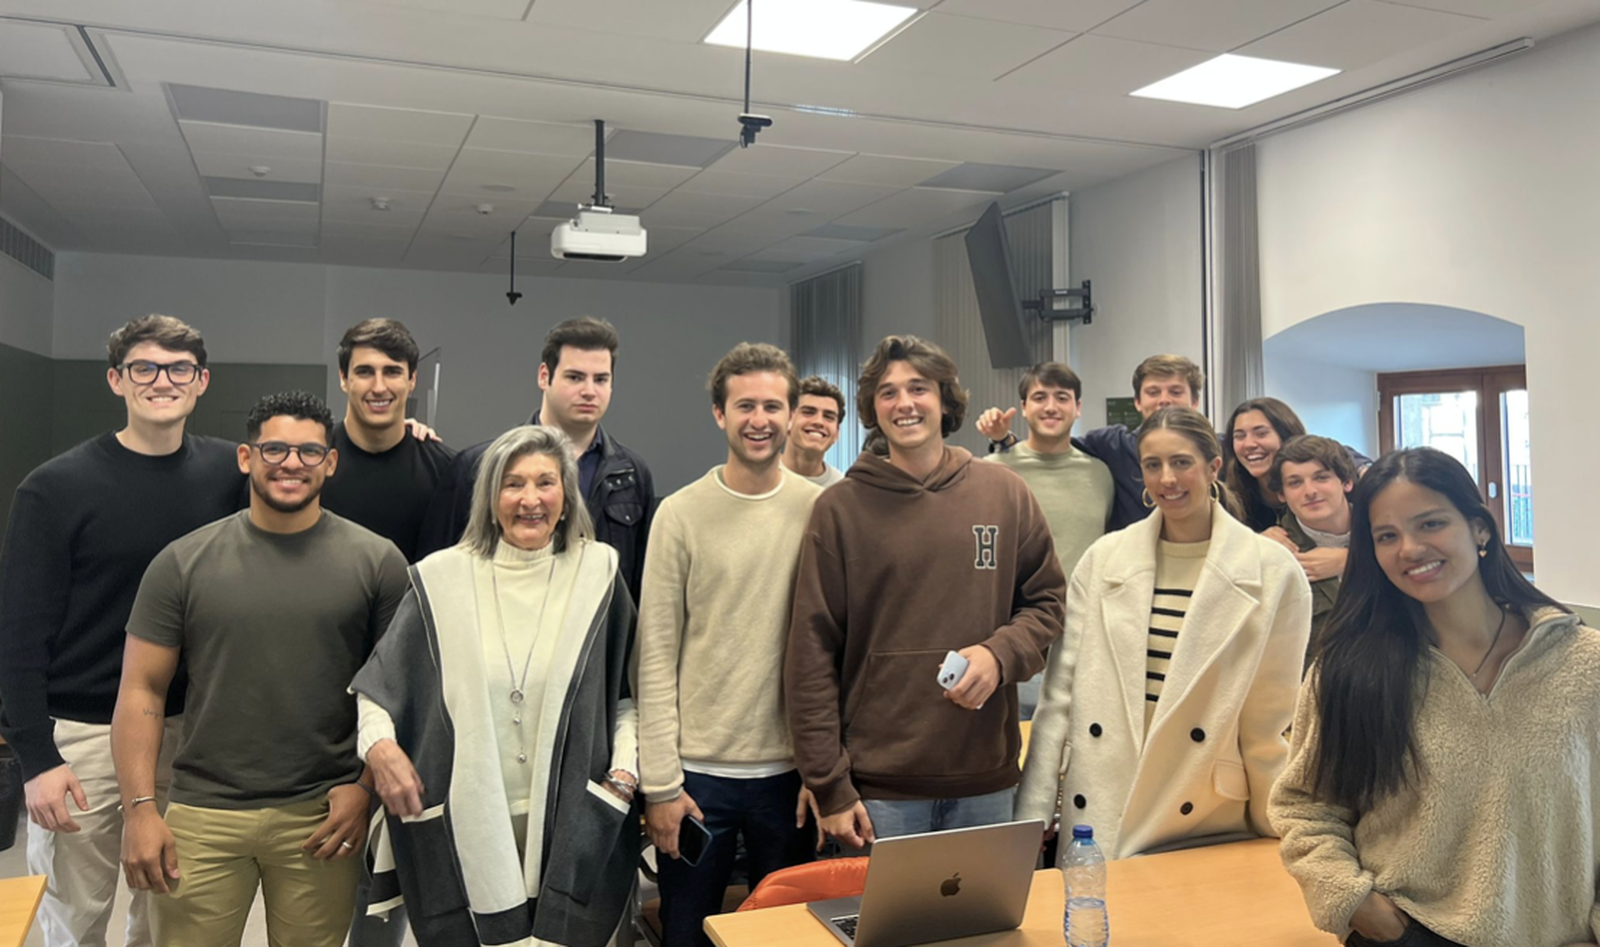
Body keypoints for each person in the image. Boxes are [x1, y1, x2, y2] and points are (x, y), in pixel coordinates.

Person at [113, 390, 409, 947]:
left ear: (330, 462)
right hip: (204, 811)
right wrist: (140, 812)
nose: (291, 464)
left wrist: (364, 788)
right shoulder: (182, 562)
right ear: (247, 458)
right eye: (275, 449)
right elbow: (141, 691)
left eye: (308, 452)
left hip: (323, 814)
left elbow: (397, 689)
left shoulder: (378, 562)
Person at [1270, 448, 1600, 947]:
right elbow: (1305, 808)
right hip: (1409, 934)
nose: (1409, 548)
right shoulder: (1348, 671)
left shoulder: (1584, 662)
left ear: (1479, 529)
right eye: (1386, 536)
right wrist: (1361, 908)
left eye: (1430, 524)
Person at [0, 315, 243, 947]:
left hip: (191, 734)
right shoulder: (53, 489)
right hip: (82, 736)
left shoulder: (230, 475)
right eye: (144, 368)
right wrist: (36, 756)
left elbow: (313, 473)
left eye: (178, 369)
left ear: (201, 382)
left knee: (166, 913)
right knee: (73, 918)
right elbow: (19, 633)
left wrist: (409, 434)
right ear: (117, 380)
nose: (162, 381)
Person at [353, 425, 640, 947]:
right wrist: (380, 749)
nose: (530, 499)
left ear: (566, 494)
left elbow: (626, 698)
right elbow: (377, 691)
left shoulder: (599, 574)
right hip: (466, 818)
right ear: (489, 498)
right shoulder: (441, 581)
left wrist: (623, 773)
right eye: (513, 484)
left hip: (572, 815)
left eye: (545, 483)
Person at [786, 335, 1065, 847]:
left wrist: (999, 654)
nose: (905, 403)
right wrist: (830, 786)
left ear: (945, 399)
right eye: (888, 392)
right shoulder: (839, 510)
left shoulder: (1004, 494)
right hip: (877, 793)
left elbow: (1047, 603)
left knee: (987, 928)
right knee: (880, 930)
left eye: (919, 388)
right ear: (873, 407)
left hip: (985, 777)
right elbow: (811, 652)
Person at [1015, 407, 1311, 860]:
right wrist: (1032, 814)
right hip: (1101, 796)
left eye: (1181, 462)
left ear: (1213, 467)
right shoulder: (1104, 558)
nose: (1167, 478)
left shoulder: (1271, 571)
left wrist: (1282, 830)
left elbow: (1270, 721)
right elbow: (1059, 697)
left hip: (1202, 809)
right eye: (1152, 465)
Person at [639, 343, 824, 947]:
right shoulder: (679, 514)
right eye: (745, 405)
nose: (760, 419)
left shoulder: (821, 509)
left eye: (774, 405)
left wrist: (824, 770)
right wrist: (662, 786)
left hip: (790, 779)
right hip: (697, 780)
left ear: (792, 415)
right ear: (720, 414)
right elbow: (657, 655)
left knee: (785, 940)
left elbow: (835, 648)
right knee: (687, 935)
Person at [419, 316, 654, 599]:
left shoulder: (631, 475)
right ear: (544, 376)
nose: (589, 391)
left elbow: (641, 586)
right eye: (575, 377)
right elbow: (437, 573)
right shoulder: (480, 466)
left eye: (601, 379)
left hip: (597, 635)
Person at [983, 362, 1113, 719]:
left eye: (1062, 397)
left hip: (1084, 646)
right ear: (1023, 407)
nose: (1051, 406)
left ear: (1078, 407)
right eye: (1039, 397)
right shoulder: (992, 471)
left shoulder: (1100, 474)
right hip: (1014, 642)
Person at [979, 354, 1203, 530]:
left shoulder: (1214, 450)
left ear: (1195, 401)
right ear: (1137, 401)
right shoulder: (1112, 446)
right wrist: (1005, 440)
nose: (1164, 400)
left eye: (1175, 391)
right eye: (1153, 392)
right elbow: (1052, 445)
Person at [321, 318, 456, 563]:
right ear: (343, 378)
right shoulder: (312, 462)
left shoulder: (446, 471)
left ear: (412, 379)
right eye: (365, 372)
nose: (379, 387)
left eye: (392, 371)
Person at [1223, 397, 1371, 535]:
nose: (1249, 444)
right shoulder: (1228, 492)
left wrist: (1348, 556)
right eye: (1239, 436)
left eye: (1261, 434)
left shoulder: (1350, 488)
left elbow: (1341, 456)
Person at [1264, 435, 1356, 649]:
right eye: (1295, 483)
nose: (1310, 491)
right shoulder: (1272, 552)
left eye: (1321, 478)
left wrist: (1355, 559)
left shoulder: (1384, 533)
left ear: (1346, 482)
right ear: (1281, 494)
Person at [781, 375, 846, 487]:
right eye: (808, 412)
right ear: (787, 420)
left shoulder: (842, 491)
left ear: (837, 433)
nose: (819, 422)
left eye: (828, 416)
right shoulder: (757, 477)